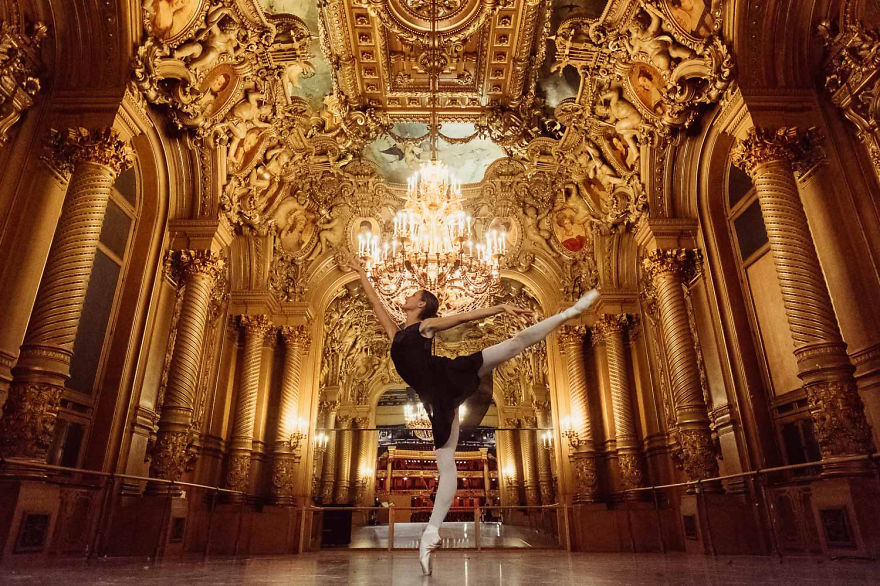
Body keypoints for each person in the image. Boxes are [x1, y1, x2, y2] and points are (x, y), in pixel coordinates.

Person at [346, 254, 600, 575]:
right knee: (446, 464)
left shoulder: (425, 326)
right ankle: (430, 534)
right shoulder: (397, 333)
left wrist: (499, 308)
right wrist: (361, 274)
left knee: (514, 344)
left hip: (448, 376)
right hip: (436, 398)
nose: (406, 296)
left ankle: (569, 312)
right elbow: (375, 304)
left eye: (413, 294)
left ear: (421, 305)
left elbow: (462, 318)